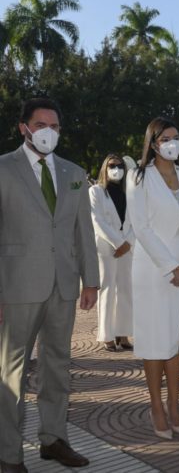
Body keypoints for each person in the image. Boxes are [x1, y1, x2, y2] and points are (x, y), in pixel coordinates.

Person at [0, 97, 100, 472]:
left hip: (63, 286)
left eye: (55, 127)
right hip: (15, 286)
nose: (49, 133)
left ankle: (53, 439)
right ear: (23, 127)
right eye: (41, 125)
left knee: (57, 366)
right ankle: (8, 454)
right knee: (11, 374)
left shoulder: (73, 172)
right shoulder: (3, 169)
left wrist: (90, 280)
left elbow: (83, 231)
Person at [127, 117, 179, 440]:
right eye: (165, 138)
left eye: (176, 136)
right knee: (156, 341)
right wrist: (172, 267)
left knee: (178, 340)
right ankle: (156, 406)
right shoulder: (139, 177)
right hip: (155, 270)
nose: (172, 142)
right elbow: (141, 227)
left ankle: (175, 404)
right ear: (153, 143)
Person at [89, 154, 135, 352]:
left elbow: (137, 220)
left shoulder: (130, 192)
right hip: (106, 248)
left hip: (127, 246)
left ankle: (123, 334)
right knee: (108, 289)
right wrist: (117, 243)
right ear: (105, 168)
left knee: (126, 289)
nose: (116, 169)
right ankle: (107, 335)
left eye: (120, 166)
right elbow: (96, 219)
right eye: (112, 165)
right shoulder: (96, 191)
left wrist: (127, 243)